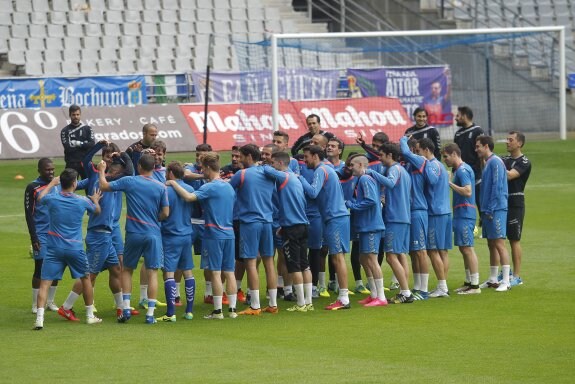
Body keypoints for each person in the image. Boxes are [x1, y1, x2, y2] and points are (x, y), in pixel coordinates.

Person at [98, 154, 170, 323]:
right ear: (153, 168)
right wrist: (154, 219)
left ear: (139, 166)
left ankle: (126, 309)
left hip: (134, 233)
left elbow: (104, 186)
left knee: (127, 270)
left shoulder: (130, 181)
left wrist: (101, 170)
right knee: (152, 272)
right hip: (153, 234)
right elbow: (166, 213)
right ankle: (150, 314)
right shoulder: (161, 187)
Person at [167, 152, 238, 319]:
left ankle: (218, 311)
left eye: (203, 169)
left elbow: (189, 196)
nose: (202, 172)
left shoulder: (209, 187)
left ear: (207, 168)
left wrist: (172, 183)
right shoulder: (228, 186)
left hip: (214, 234)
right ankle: (233, 310)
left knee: (215, 272)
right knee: (229, 272)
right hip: (229, 233)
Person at [33, 169, 103, 330]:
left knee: (45, 283)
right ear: (74, 183)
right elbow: (97, 211)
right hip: (74, 248)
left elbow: (40, 197)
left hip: (54, 248)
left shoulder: (53, 198)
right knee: (86, 279)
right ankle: (89, 316)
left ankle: (39, 319)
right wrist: (96, 200)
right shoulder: (82, 200)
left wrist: (51, 183)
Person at [298, 145, 351, 310]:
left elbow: (313, 192)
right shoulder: (328, 169)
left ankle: (344, 298)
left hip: (335, 218)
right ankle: (343, 296)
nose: (304, 160)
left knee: (337, 257)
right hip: (335, 217)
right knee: (336, 257)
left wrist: (299, 178)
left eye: (306, 156)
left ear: (315, 156)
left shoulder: (321, 170)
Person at [229, 144, 278, 315]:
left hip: (249, 223)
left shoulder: (241, 174)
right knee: (269, 262)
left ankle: (255, 305)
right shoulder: (268, 173)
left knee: (250, 262)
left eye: (241, 156)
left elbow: (227, 190)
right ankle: (272, 303)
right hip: (267, 221)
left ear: (249, 156)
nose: (239, 160)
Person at [262, 151, 312, 312]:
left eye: (273, 162)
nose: (272, 166)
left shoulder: (284, 177)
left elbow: (267, 171)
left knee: (295, 266)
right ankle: (308, 301)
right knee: (305, 265)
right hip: (302, 224)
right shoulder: (296, 179)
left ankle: (300, 304)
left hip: (292, 228)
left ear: (280, 163)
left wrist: (263, 165)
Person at [367, 143, 414, 304]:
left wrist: (370, 172)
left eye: (381, 155)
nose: (379, 158)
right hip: (404, 217)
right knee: (400, 255)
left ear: (389, 155)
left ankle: (406, 292)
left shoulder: (394, 169)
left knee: (391, 256)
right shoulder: (404, 171)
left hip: (395, 218)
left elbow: (391, 183)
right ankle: (404, 290)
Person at [156, 161, 196, 322]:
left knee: (169, 273)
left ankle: (170, 313)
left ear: (171, 173)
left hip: (170, 236)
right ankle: (189, 311)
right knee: (188, 272)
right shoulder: (190, 189)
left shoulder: (165, 191)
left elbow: (163, 212)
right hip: (187, 234)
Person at [345, 156, 387, 307]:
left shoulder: (365, 179)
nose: (350, 168)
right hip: (365, 225)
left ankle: (381, 297)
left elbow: (371, 201)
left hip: (371, 226)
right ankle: (374, 294)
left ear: (361, 165)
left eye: (352, 165)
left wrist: (352, 205)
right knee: (363, 258)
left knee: (371, 259)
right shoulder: (362, 179)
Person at [442, 143, 481, 295]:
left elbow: (467, 190)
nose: (444, 160)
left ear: (454, 154)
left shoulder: (463, 170)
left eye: (446, 156)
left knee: (468, 248)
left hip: (465, 213)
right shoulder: (458, 170)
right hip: (460, 213)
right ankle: (469, 282)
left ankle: (475, 286)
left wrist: (449, 183)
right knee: (463, 248)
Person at [417, 138, 452, 298]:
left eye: (418, 151)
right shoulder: (441, 166)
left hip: (435, 213)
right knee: (442, 251)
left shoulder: (432, 165)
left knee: (432, 250)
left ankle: (442, 287)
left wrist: (423, 165)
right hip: (444, 211)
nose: (417, 154)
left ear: (426, 150)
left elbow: (432, 180)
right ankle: (441, 285)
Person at [475, 136, 511, 292]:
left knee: (499, 243)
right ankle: (493, 278)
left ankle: (507, 280)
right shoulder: (488, 162)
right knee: (491, 244)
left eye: (478, 146)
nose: (476, 149)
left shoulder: (495, 162)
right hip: (488, 209)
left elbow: (497, 186)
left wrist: (490, 209)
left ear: (486, 146)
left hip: (496, 209)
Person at [25, 158, 60, 314]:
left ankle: (50, 301)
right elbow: (29, 214)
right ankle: (35, 304)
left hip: (56, 233)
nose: (51, 172)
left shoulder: (57, 185)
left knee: (56, 268)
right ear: (39, 170)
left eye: (52, 169)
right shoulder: (33, 187)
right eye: (47, 169)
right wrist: (34, 237)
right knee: (39, 268)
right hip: (41, 233)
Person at [398, 136, 431, 300]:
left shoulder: (418, 160)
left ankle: (424, 290)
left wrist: (403, 138)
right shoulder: (408, 164)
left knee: (421, 251)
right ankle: (418, 287)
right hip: (409, 212)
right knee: (413, 252)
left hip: (418, 211)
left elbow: (404, 150)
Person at [502, 131, 531, 286]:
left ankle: (517, 276)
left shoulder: (524, 162)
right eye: (507, 139)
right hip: (502, 202)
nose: (507, 142)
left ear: (519, 143)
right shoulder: (504, 159)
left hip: (515, 202)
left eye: (511, 140)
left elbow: (509, 175)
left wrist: (494, 164)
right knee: (500, 239)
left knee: (514, 239)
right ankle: (506, 272)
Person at [453, 106, 484, 219]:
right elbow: (454, 155)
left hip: (476, 174)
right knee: (462, 201)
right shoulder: (458, 134)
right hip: (461, 174)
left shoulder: (478, 131)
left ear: (465, 116)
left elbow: (483, 152)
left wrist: (481, 170)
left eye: (458, 115)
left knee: (480, 202)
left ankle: (484, 225)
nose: (456, 118)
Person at [60, 104, 95, 179]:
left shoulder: (88, 129)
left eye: (77, 114)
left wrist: (77, 143)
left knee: (89, 187)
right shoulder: (65, 131)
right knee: (69, 187)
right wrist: (85, 144)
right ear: (70, 115)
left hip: (86, 162)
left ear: (80, 115)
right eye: (73, 115)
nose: (76, 116)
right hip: (71, 163)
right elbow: (68, 148)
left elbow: (92, 144)